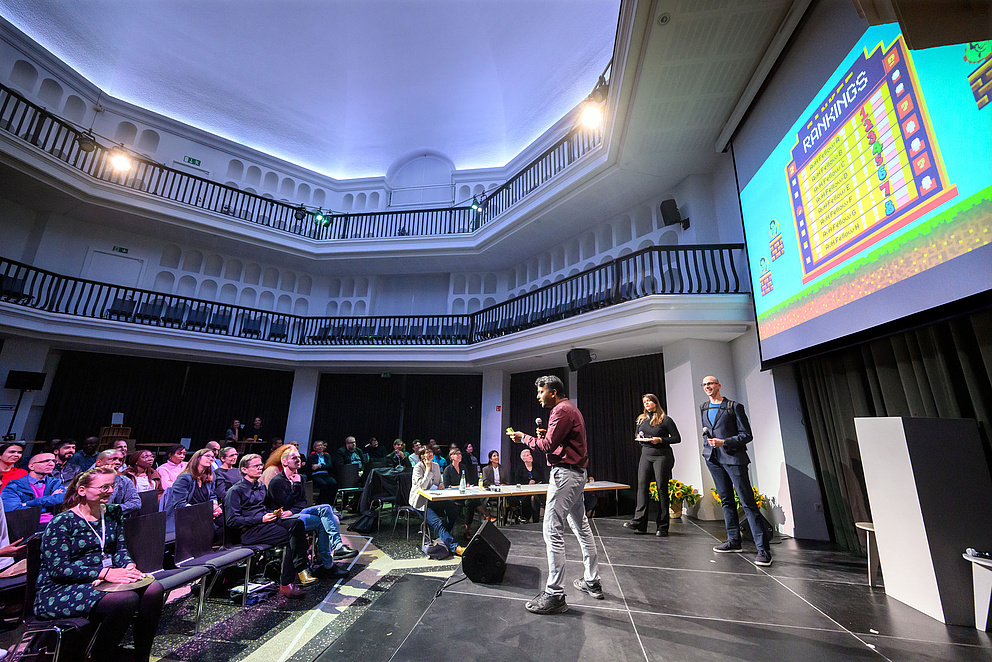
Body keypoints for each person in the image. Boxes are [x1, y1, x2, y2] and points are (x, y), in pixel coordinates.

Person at [35, 467, 165, 662]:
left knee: (153, 589)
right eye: (104, 487)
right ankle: (102, 656)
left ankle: (141, 656)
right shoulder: (62, 522)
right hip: (61, 588)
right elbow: (58, 569)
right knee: (125, 599)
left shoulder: (112, 512)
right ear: (82, 490)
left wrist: (129, 566)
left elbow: (119, 549)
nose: (110, 491)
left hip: (104, 578)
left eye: (112, 486)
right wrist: (104, 573)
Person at [509, 374, 602, 614]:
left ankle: (555, 593)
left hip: (565, 476)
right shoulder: (571, 409)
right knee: (581, 527)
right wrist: (546, 439)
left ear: (552, 392)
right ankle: (592, 580)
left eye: (541, 392)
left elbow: (548, 447)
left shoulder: (560, 411)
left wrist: (524, 439)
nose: (538, 397)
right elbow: (557, 444)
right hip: (577, 474)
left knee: (552, 529)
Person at [701, 375, 773, 566]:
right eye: (705, 384)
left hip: (734, 459)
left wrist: (724, 442)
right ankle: (734, 541)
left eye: (711, 383)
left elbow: (746, 435)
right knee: (726, 501)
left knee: (747, 502)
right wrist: (707, 448)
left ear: (719, 385)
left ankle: (763, 550)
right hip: (713, 459)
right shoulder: (704, 407)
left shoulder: (733, 406)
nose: (708, 386)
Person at [224, 454, 310, 598]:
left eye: (260, 465)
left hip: (265, 524)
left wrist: (274, 514)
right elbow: (232, 521)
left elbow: (266, 508)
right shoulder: (235, 491)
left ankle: (298, 571)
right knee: (291, 536)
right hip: (250, 532)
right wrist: (261, 519)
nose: (260, 468)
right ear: (244, 469)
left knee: (298, 523)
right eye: (256, 466)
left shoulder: (261, 487)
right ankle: (288, 581)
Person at [266, 447, 358, 578]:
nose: (298, 460)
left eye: (299, 457)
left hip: (295, 512)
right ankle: (328, 565)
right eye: (294, 458)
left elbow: (303, 502)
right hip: (284, 519)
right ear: (285, 462)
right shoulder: (277, 482)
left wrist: (293, 507)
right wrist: (296, 487)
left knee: (326, 508)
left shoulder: (300, 478)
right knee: (324, 521)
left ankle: (337, 547)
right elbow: (284, 504)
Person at [625, 393, 681, 536]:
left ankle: (662, 527)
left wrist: (660, 440)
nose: (647, 404)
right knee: (642, 487)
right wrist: (640, 438)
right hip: (646, 455)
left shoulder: (665, 420)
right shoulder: (641, 419)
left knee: (661, 489)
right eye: (644, 402)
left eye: (649, 401)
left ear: (656, 403)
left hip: (662, 456)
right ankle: (640, 523)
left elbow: (676, 438)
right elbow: (638, 434)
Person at [408, 447, 463, 559]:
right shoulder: (418, 467)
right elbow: (422, 486)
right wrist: (428, 470)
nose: (430, 454)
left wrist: (441, 485)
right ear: (422, 455)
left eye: (430, 452)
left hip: (435, 499)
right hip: (421, 502)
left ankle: (444, 537)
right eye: (427, 452)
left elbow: (439, 482)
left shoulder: (436, 466)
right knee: (437, 523)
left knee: (453, 508)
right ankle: (454, 546)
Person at [164, 449, 223, 539]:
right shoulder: (184, 478)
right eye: (208, 456)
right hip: (186, 515)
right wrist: (202, 512)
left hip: (202, 514)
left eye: (212, 457)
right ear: (198, 458)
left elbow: (212, 495)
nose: (211, 459)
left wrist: (214, 505)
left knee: (226, 521)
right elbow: (180, 504)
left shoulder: (210, 476)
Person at [1, 452, 65, 523]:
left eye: (54, 461)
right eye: (46, 461)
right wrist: (49, 504)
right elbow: (14, 511)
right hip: (26, 525)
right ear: (31, 466)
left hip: (54, 523)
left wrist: (30, 503)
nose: (51, 464)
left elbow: (61, 499)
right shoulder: (14, 486)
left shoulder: (55, 483)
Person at [442, 447, 485, 538]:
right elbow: (446, 486)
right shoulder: (448, 469)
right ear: (452, 457)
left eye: (460, 454)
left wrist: (468, 485)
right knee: (472, 501)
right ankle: (485, 515)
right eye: (457, 454)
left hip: (464, 494)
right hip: (453, 496)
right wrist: (459, 486)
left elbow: (467, 481)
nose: (460, 455)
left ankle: (467, 530)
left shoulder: (463, 467)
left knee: (471, 501)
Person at [93, 449, 141, 515]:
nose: (118, 463)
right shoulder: (86, 479)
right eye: (113, 459)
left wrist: (111, 510)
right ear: (99, 462)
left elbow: (135, 503)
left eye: (120, 460)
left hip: (114, 519)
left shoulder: (125, 481)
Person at [511, 448, 546, 523]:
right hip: (525, 493)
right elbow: (517, 482)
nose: (530, 456)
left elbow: (543, 479)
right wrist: (528, 483)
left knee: (536, 496)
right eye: (527, 455)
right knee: (532, 497)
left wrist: (535, 482)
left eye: (530, 454)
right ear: (523, 459)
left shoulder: (537, 467)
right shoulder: (519, 469)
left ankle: (536, 519)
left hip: (538, 491)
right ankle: (530, 518)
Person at [307, 440, 337, 505]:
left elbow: (329, 466)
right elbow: (313, 467)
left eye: (321, 445)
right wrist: (323, 466)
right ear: (314, 448)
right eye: (318, 446)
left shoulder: (327, 456)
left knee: (333, 483)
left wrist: (319, 466)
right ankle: (321, 503)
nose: (320, 447)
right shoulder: (311, 457)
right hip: (316, 475)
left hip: (325, 474)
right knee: (323, 484)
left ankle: (330, 503)